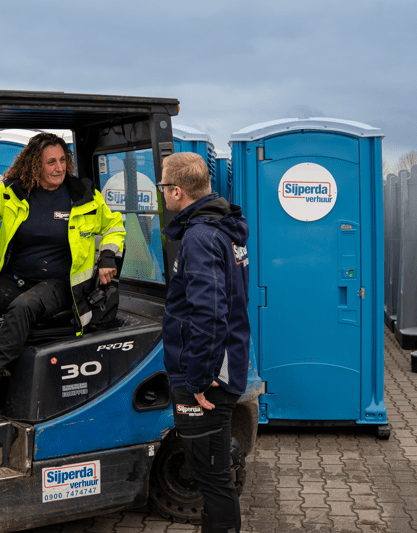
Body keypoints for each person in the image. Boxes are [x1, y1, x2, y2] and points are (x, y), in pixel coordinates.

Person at [0, 132, 125, 421]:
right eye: (51, 162)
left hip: (62, 283)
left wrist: (108, 256)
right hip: (18, 276)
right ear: (35, 165)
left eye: (62, 160)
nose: (59, 167)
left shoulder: (83, 196)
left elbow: (114, 227)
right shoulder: (13, 192)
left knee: (21, 308)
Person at [159, 152, 250, 533]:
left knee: (212, 477)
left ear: (177, 191)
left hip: (208, 380)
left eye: (163, 186)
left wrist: (197, 379)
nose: (162, 192)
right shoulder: (222, 228)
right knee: (209, 471)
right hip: (218, 366)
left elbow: (209, 313)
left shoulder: (200, 237)